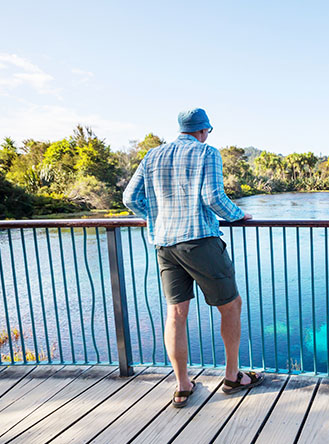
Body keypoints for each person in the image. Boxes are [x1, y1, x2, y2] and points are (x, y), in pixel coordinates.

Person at [123, 108, 264, 408]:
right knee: (231, 306)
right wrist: (239, 215)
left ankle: (183, 385)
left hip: (165, 244)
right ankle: (232, 377)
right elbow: (213, 197)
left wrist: (157, 217)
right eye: (208, 132)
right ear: (203, 131)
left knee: (176, 314)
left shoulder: (152, 155)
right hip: (199, 241)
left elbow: (130, 198)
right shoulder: (207, 153)